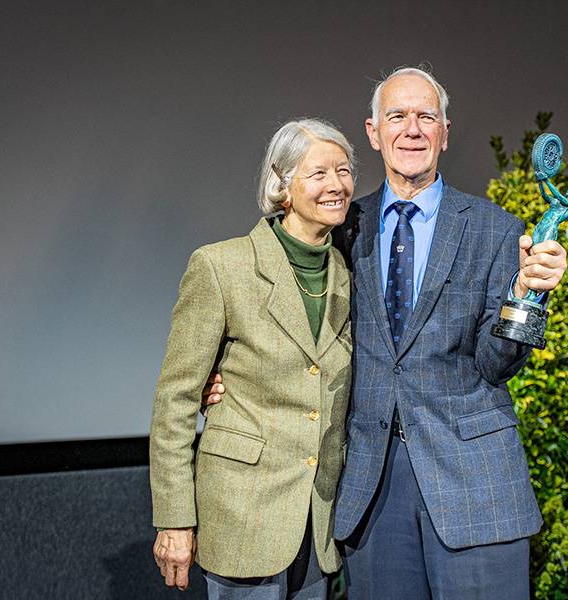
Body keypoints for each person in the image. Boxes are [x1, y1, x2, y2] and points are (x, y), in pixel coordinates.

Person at [204, 66, 568, 598]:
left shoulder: (497, 229)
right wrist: (226, 377)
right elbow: (283, 319)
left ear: (445, 131)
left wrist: (530, 296)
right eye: (397, 116)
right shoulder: (342, 227)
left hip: (474, 487)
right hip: (371, 490)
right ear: (374, 133)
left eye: (427, 116)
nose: (412, 129)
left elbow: (497, 364)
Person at [149, 118, 356, 600]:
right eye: (319, 172)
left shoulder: (349, 271)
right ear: (282, 184)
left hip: (319, 519)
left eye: (344, 171)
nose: (337, 185)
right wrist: (175, 520)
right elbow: (176, 402)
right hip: (243, 514)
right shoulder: (222, 267)